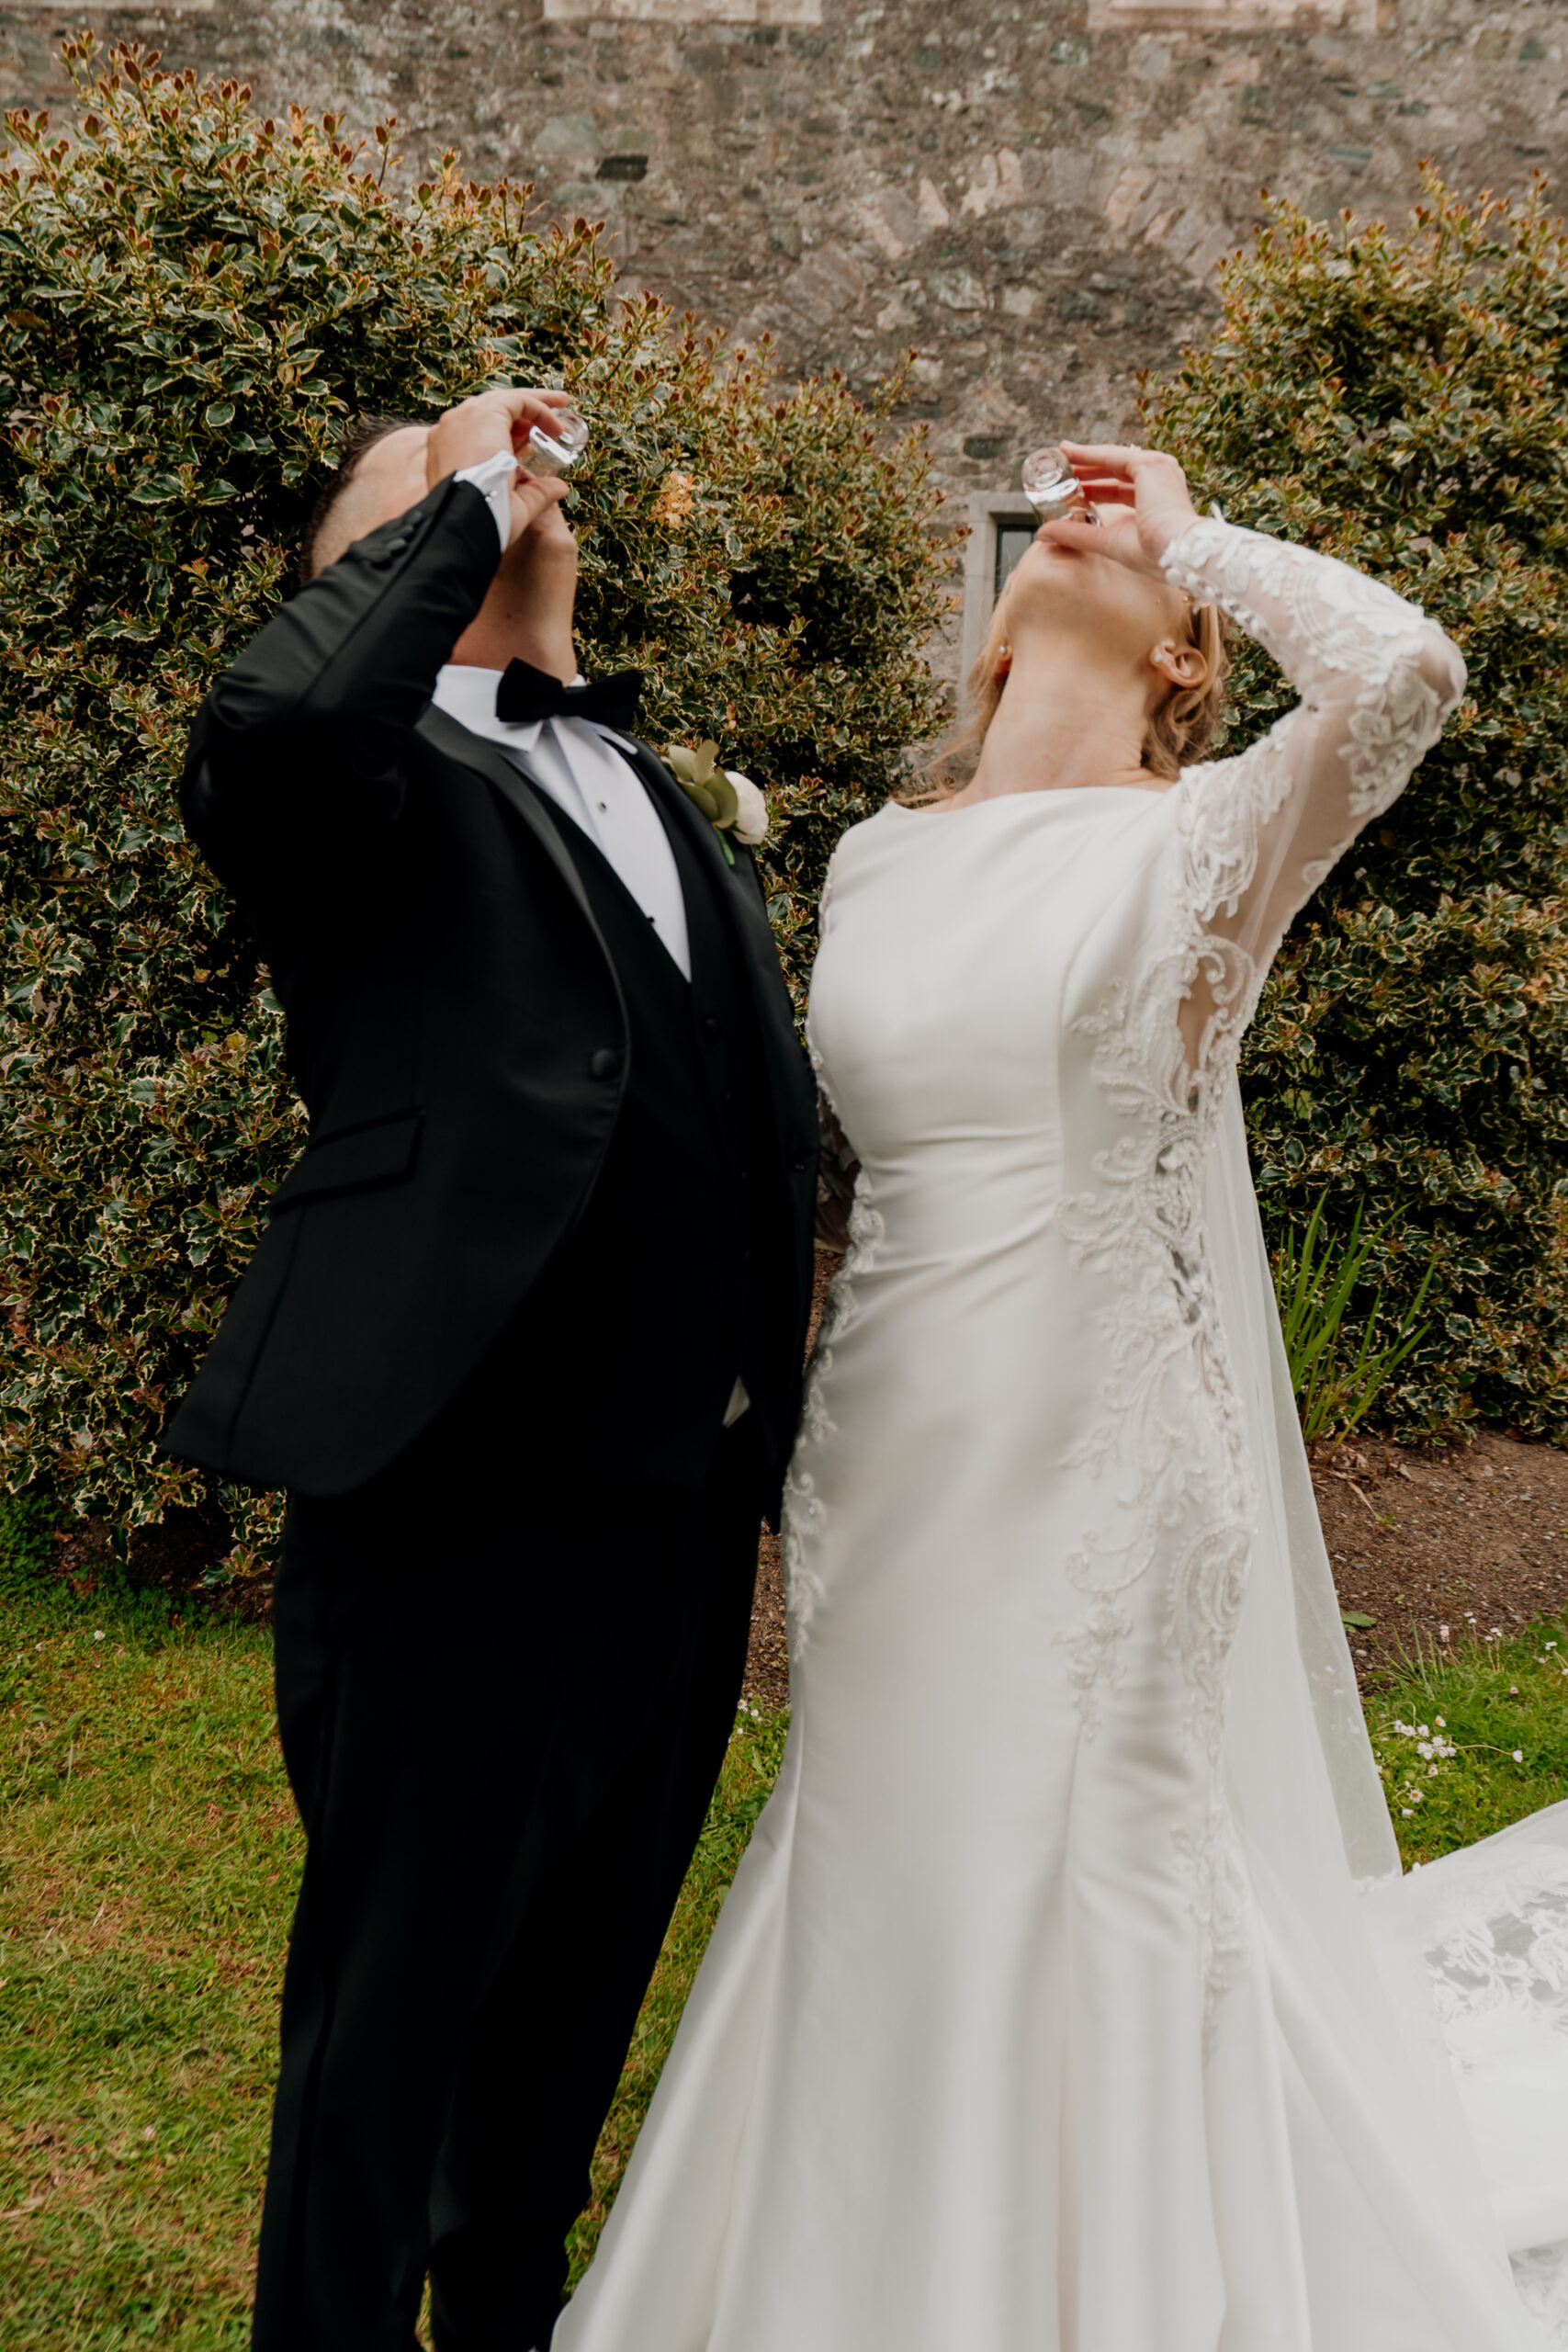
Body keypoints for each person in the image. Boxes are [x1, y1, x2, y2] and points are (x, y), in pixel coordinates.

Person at [554, 443, 1568, 2350]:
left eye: (1134, 546)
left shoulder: (1205, 841)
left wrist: (1198, 526)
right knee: (897, 1844)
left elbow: (1408, 674)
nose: (1080, 523)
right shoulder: (874, 851)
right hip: (884, 1447)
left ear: (1186, 653)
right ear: (1000, 619)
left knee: (1090, 1858)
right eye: (1072, 523)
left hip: (1099, 1452)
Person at [163, 384, 819, 2352]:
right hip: (452, 1486)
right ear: (370, 563)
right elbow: (273, 715)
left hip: (682, 1515)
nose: (511, 487)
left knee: (557, 2045)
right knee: (390, 2039)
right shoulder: (340, 788)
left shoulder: (660, 792)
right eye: (437, 490)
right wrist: (454, 493)